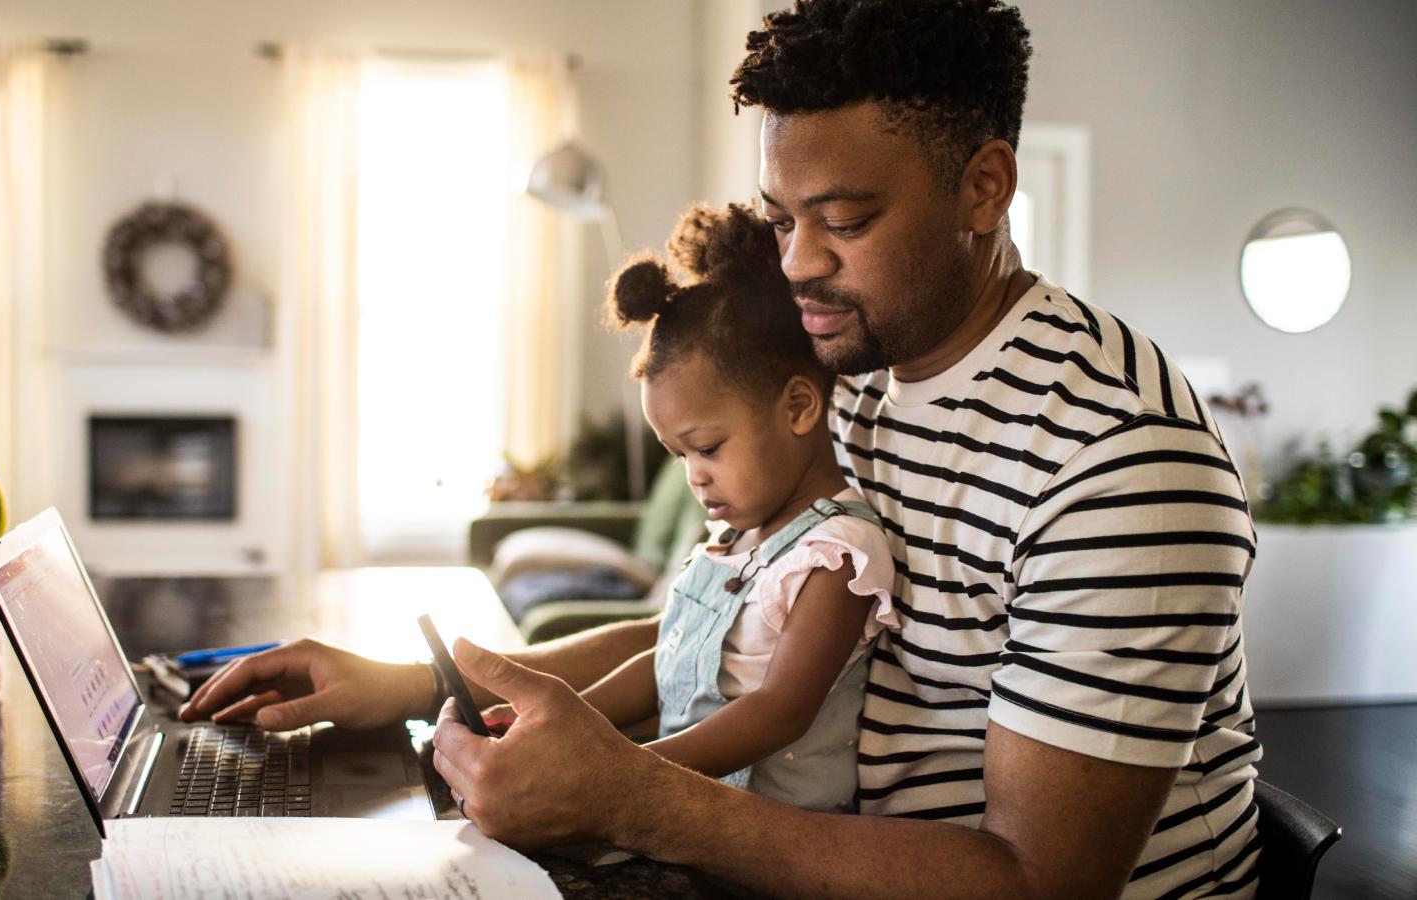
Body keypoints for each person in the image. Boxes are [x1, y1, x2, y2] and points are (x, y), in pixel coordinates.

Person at [183, 1, 1261, 897]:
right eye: (780, 216)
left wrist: (629, 796)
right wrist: (422, 684)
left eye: (843, 218)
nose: (796, 263)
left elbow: (1037, 883)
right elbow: (737, 628)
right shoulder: (849, 376)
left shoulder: (1117, 463)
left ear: (984, 185)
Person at [568, 202, 897, 813]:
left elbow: (779, 712)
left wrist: (618, 772)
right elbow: (666, 660)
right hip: (685, 810)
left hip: (769, 840)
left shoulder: (837, 555)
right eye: (680, 457)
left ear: (799, 406)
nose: (696, 477)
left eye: (708, 448)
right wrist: (564, 720)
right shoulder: (731, 541)